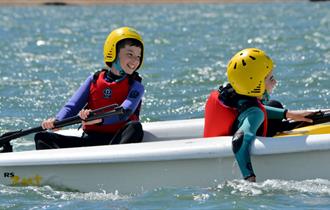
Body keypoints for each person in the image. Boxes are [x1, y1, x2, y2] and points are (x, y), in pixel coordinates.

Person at [204, 48, 313, 182]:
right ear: (256, 84)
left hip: (224, 132)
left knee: (274, 106)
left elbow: (248, 110)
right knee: (275, 104)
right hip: (224, 149)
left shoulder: (231, 92)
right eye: (270, 78)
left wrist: (287, 114)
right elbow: (239, 141)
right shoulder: (255, 115)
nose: (275, 82)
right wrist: (249, 177)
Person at [34, 26, 145, 150]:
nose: (135, 61)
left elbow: (125, 112)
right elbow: (72, 106)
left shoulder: (136, 86)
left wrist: (97, 119)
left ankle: (114, 165)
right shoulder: (94, 79)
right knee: (42, 137)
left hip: (117, 142)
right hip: (90, 141)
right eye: (130, 54)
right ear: (113, 52)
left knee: (135, 127)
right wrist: (57, 121)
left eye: (138, 57)